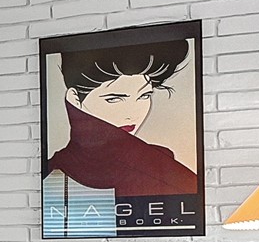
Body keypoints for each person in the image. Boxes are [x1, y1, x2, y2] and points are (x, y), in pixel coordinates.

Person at [44, 38, 199, 197]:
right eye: (114, 99)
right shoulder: (52, 174)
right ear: (75, 99)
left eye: (144, 96)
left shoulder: (161, 165)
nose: (131, 114)